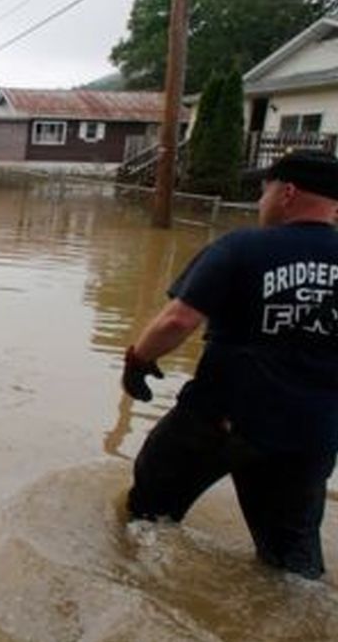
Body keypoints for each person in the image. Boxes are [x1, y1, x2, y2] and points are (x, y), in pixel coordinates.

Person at [122, 149, 338, 579]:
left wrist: (138, 360)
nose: (261, 201)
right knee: (291, 562)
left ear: (288, 192)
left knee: (145, 515)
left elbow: (178, 319)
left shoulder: (244, 246)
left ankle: (129, 586)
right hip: (310, 435)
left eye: (265, 190)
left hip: (219, 421)